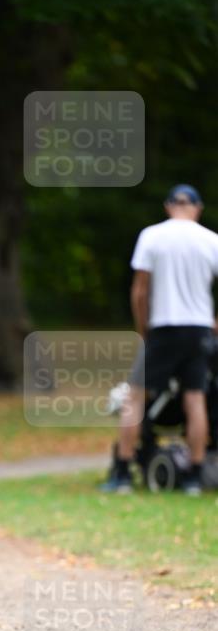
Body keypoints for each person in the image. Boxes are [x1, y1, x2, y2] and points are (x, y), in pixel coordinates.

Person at [104, 184, 218, 496]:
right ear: (197, 208)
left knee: (135, 398)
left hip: (164, 327)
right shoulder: (211, 240)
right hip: (199, 331)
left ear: (169, 206)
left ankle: (123, 473)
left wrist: (143, 328)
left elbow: (140, 290)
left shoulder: (152, 236)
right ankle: (194, 476)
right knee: (195, 399)